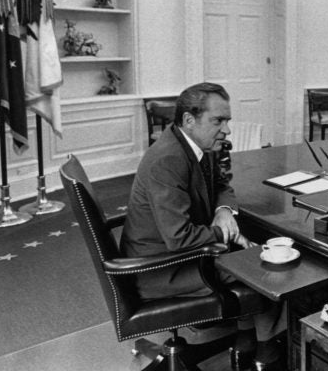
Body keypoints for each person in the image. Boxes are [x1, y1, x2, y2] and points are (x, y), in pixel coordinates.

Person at [120, 83, 285, 370]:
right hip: (160, 268)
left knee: (244, 252)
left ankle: (246, 339)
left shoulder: (196, 144)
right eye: (218, 121)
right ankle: (267, 351)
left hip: (170, 253)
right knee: (264, 269)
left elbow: (221, 184)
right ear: (188, 120)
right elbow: (179, 238)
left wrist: (223, 211)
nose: (227, 130)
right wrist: (227, 233)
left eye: (227, 120)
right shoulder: (168, 159)